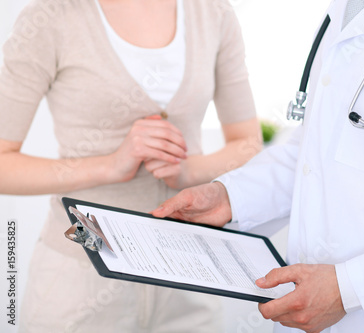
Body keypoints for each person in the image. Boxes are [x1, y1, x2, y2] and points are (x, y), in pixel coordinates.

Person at [151, 0, 364, 332]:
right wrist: (230, 196)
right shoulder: (348, 9)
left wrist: (350, 289)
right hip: (309, 313)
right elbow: (316, 152)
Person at [0, 0, 262, 331]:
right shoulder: (50, 16)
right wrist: (109, 166)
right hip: (79, 276)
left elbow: (249, 144)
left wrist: (189, 171)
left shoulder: (213, 13)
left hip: (188, 274)